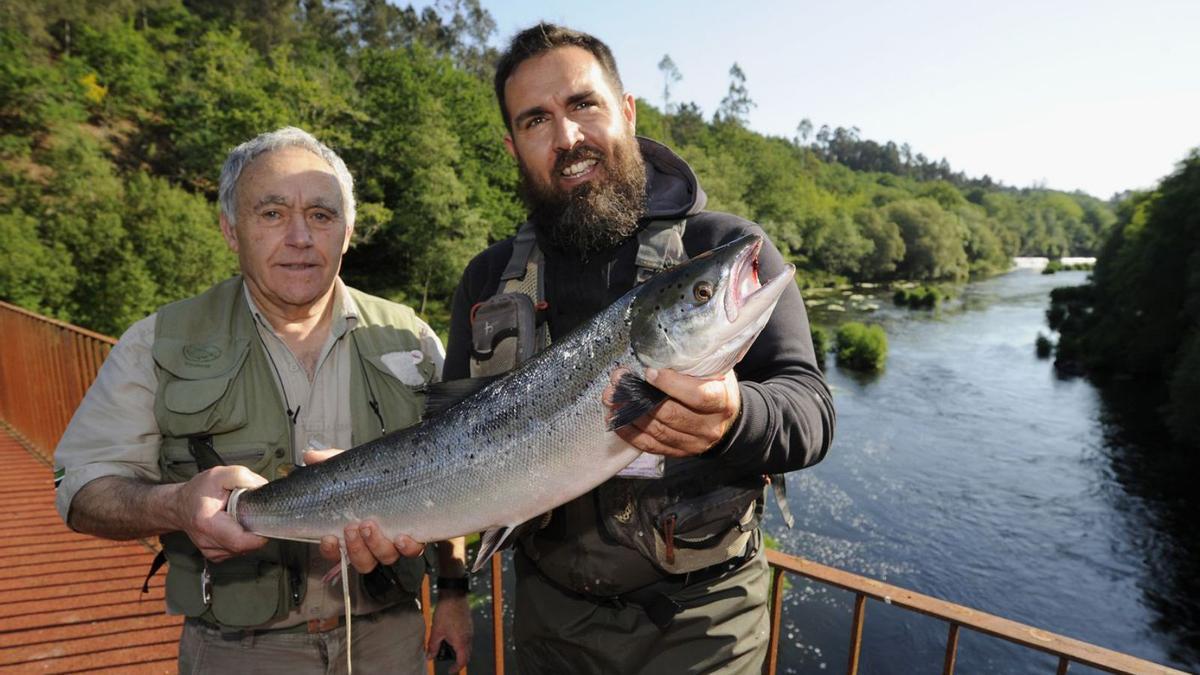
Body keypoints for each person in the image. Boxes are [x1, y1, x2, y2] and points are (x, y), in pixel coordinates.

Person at [444, 23, 836, 675]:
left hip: (705, 621)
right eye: (537, 120)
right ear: (514, 146)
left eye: (583, 104)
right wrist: (452, 587)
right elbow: (442, 448)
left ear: (626, 111)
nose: (567, 138)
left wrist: (734, 418)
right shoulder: (486, 281)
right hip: (551, 621)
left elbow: (812, 411)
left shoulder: (725, 247)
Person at [53, 127, 472, 674]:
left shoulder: (411, 339)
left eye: (321, 215)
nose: (300, 236)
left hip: (390, 639)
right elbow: (81, 491)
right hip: (239, 650)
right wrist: (175, 504)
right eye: (272, 214)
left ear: (347, 233)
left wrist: (455, 594)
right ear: (231, 229)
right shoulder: (158, 342)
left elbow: (465, 467)